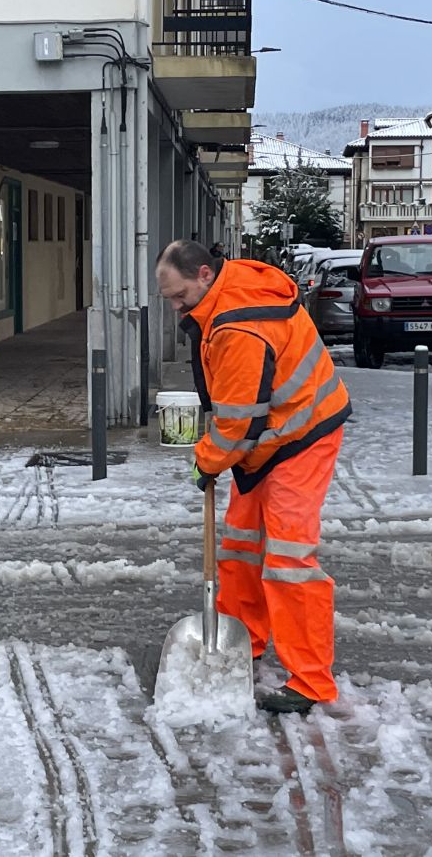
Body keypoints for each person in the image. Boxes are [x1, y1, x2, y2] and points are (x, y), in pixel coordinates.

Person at [155, 239, 352, 714]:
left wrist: (206, 461)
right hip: (268, 438)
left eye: (179, 296)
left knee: (287, 557)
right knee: (241, 543)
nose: (176, 307)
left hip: (300, 435)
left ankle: (311, 681)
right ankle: (245, 636)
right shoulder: (226, 290)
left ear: (204, 274)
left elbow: (238, 421)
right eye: (170, 300)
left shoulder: (239, 326)